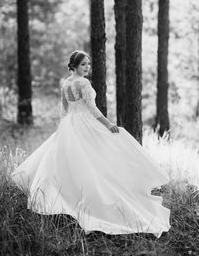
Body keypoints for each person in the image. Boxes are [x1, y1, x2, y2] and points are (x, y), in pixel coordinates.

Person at [11, 50, 170, 237]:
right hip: (84, 122)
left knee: (72, 162)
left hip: (69, 124)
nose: (87, 67)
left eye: (88, 64)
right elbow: (92, 109)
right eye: (83, 64)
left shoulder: (66, 83)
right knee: (94, 158)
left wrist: (62, 128)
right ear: (74, 66)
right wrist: (108, 124)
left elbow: (64, 110)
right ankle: (94, 198)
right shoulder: (83, 83)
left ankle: (68, 196)